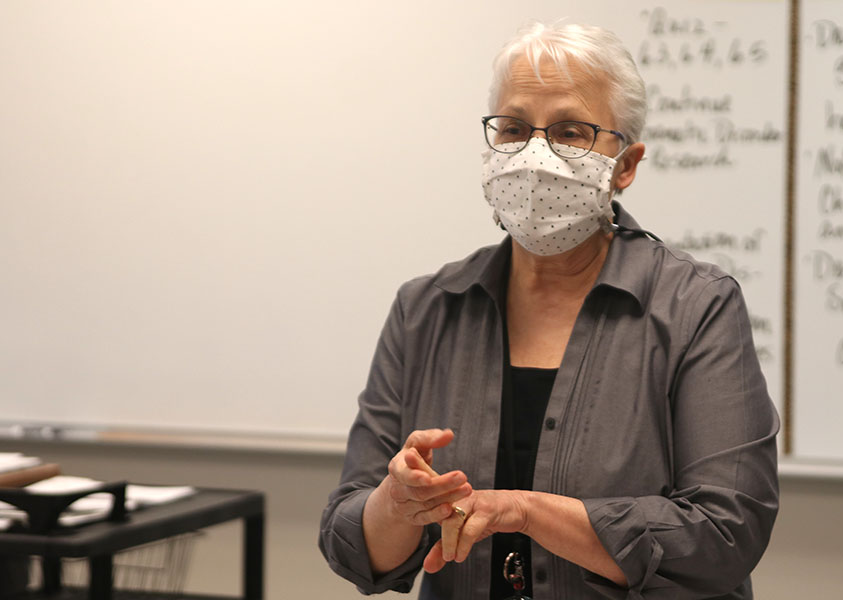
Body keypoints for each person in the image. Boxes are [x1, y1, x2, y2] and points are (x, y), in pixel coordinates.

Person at [319, 21, 779, 600]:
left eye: (569, 131)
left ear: (626, 165)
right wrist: (395, 505)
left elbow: (725, 536)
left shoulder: (695, 307)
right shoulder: (427, 309)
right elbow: (349, 546)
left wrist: (526, 512)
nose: (535, 155)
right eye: (513, 129)